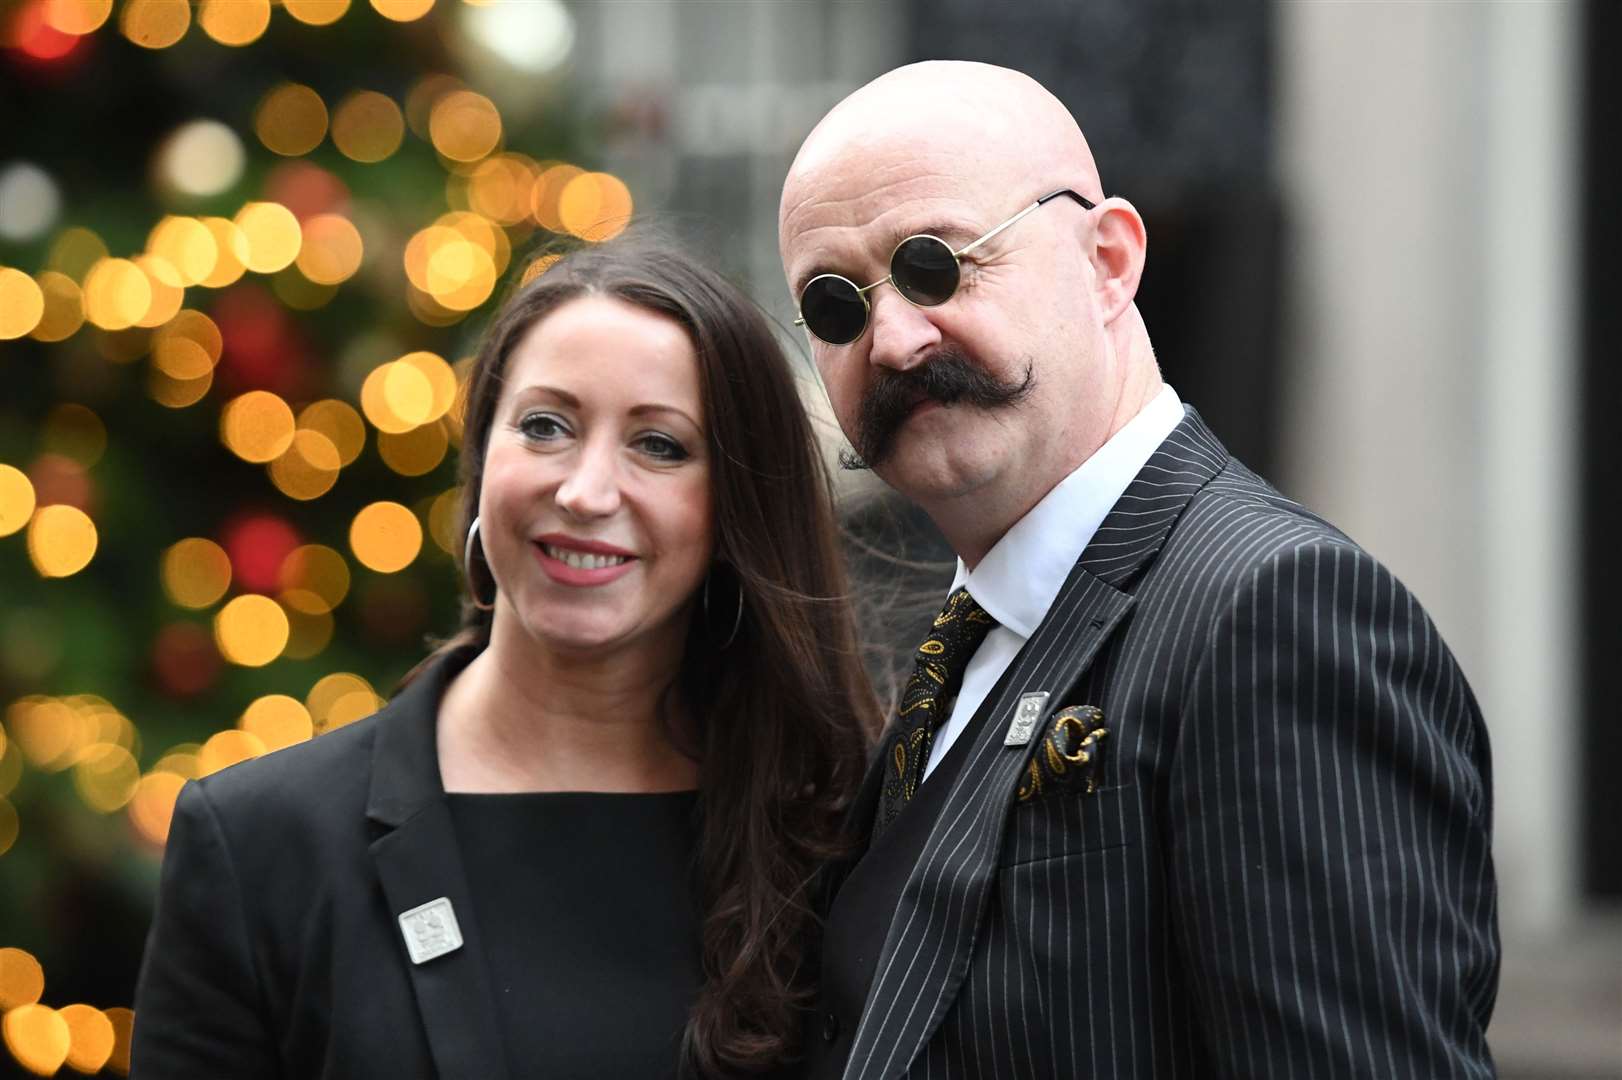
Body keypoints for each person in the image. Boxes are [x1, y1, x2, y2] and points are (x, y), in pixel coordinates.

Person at [778, 61, 1499, 1079]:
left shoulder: (1274, 615)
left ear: (1107, 260)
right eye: (835, 305)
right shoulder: (949, 634)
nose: (894, 338)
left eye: (934, 264)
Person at [132, 234, 880, 1079]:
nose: (587, 492)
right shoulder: (258, 843)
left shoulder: (841, 836)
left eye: (660, 445)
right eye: (546, 426)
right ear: (484, 453)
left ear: (735, 507)